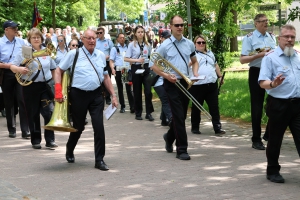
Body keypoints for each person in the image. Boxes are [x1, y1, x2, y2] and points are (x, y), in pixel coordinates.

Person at [54, 29, 118, 171]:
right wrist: (58, 91)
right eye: (88, 38)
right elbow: (59, 70)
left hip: (96, 95)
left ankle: (99, 159)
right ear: (82, 39)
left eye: (94, 38)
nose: (91, 41)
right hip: (78, 95)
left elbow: (106, 77)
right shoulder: (73, 54)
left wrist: (113, 95)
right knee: (79, 127)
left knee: (99, 127)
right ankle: (70, 149)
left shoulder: (101, 55)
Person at [151, 15, 199, 160]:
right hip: (171, 83)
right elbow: (154, 66)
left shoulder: (189, 44)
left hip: (185, 82)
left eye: (181, 25)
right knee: (178, 115)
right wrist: (166, 76)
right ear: (170, 27)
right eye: (176, 25)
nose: (179, 28)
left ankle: (169, 136)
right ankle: (181, 149)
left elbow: (195, 61)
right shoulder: (164, 46)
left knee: (182, 115)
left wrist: (195, 74)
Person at [258, 24, 300, 183]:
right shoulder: (270, 58)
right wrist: (273, 84)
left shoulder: (298, 56)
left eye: (292, 37)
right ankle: (272, 171)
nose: (289, 40)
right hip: (278, 105)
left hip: (297, 106)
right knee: (275, 140)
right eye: (286, 37)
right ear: (279, 38)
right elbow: (262, 82)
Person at [10, 28, 57, 149]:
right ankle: (36, 140)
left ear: (41, 39)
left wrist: (57, 85)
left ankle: (50, 140)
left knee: (49, 113)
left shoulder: (47, 51)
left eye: (38, 37)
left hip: (45, 86)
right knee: (33, 114)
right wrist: (19, 69)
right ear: (29, 40)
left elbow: (53, 69)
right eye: (33, 37)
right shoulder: (25, 52)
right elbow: (12, 66)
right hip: (30, 86)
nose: (36, 39)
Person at [240, 14, 276, 150]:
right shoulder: (249, 38)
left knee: (275, 103)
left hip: (271, 73)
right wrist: (259, 55)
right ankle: (256, 139)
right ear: (256, 23)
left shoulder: (272, 37)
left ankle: (268, 134)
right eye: (263, 21)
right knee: (257, 107)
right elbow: (242, 59)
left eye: (267, 21)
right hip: (257, 72)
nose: (266, 23)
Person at [189, 35, 225, 135]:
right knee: (196, 107)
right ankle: (195, 127)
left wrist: (220, 76)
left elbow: (215, 65)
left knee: (214, 107)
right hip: (197, 85)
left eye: (203, 42)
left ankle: (217, 128)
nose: (201, 44)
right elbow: (187, 66)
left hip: (212, 84)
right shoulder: (192, 54)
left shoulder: (210, 53)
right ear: (195, 44)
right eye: (199, 42)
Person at [0, 20, 30, 139]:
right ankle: (11, 129)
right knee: (9, 102)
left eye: (16, 27)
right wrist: (10, 66)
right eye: (13, 28)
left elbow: (28, 56)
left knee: (22, 100)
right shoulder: (0, 42)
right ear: (6, 30)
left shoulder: (22, 41)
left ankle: (25, 130)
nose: (16, 29)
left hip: (20, 72)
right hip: (6, 73)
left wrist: (24, 64)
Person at [124, 25, 154, 121]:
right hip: (136, 67)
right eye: (139, 32)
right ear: (135, 34)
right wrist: (136, 60)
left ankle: (149, 113)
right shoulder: (132, 45)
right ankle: (138, 112)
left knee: (148, 91)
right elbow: (126, 58)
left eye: (142, 32)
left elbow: (149, 56)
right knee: (137, 91)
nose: (141, 33)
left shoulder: (148, 45)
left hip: (145, 67)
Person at [109, 33, 134, 113]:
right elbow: (111, 60)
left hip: (126, 69)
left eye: (123, 37)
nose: (122, 39)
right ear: (117, 39)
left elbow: (131, 58)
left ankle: (132, 106)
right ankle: (122, 106)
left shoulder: (128, 47)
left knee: (128, 88)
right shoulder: (114, 49)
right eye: (120, 38)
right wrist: (112, 69)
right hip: (119, 69)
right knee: (120, 88)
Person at [153, 30, 172, 126]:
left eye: (169, 38)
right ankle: (170, 118)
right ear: (161, 38)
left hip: (167, 79)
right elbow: (152, 65)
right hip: (158, 80)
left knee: (166, 98)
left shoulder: (171, 49)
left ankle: (163, 119)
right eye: (166, 38)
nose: (168, 40)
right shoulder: (157, 50)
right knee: (165, 99)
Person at [96, 27, 114, 105]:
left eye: (100, 33)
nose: (99, 34)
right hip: (98, 63)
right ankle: (101, 97)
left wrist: (109, 57)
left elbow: (113, 53)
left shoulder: (109, 42)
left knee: (107, 80)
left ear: (104, 33)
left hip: (106, 63)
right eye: (97, 33)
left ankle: (108, 98)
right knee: (99, 80)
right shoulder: (95, 42)